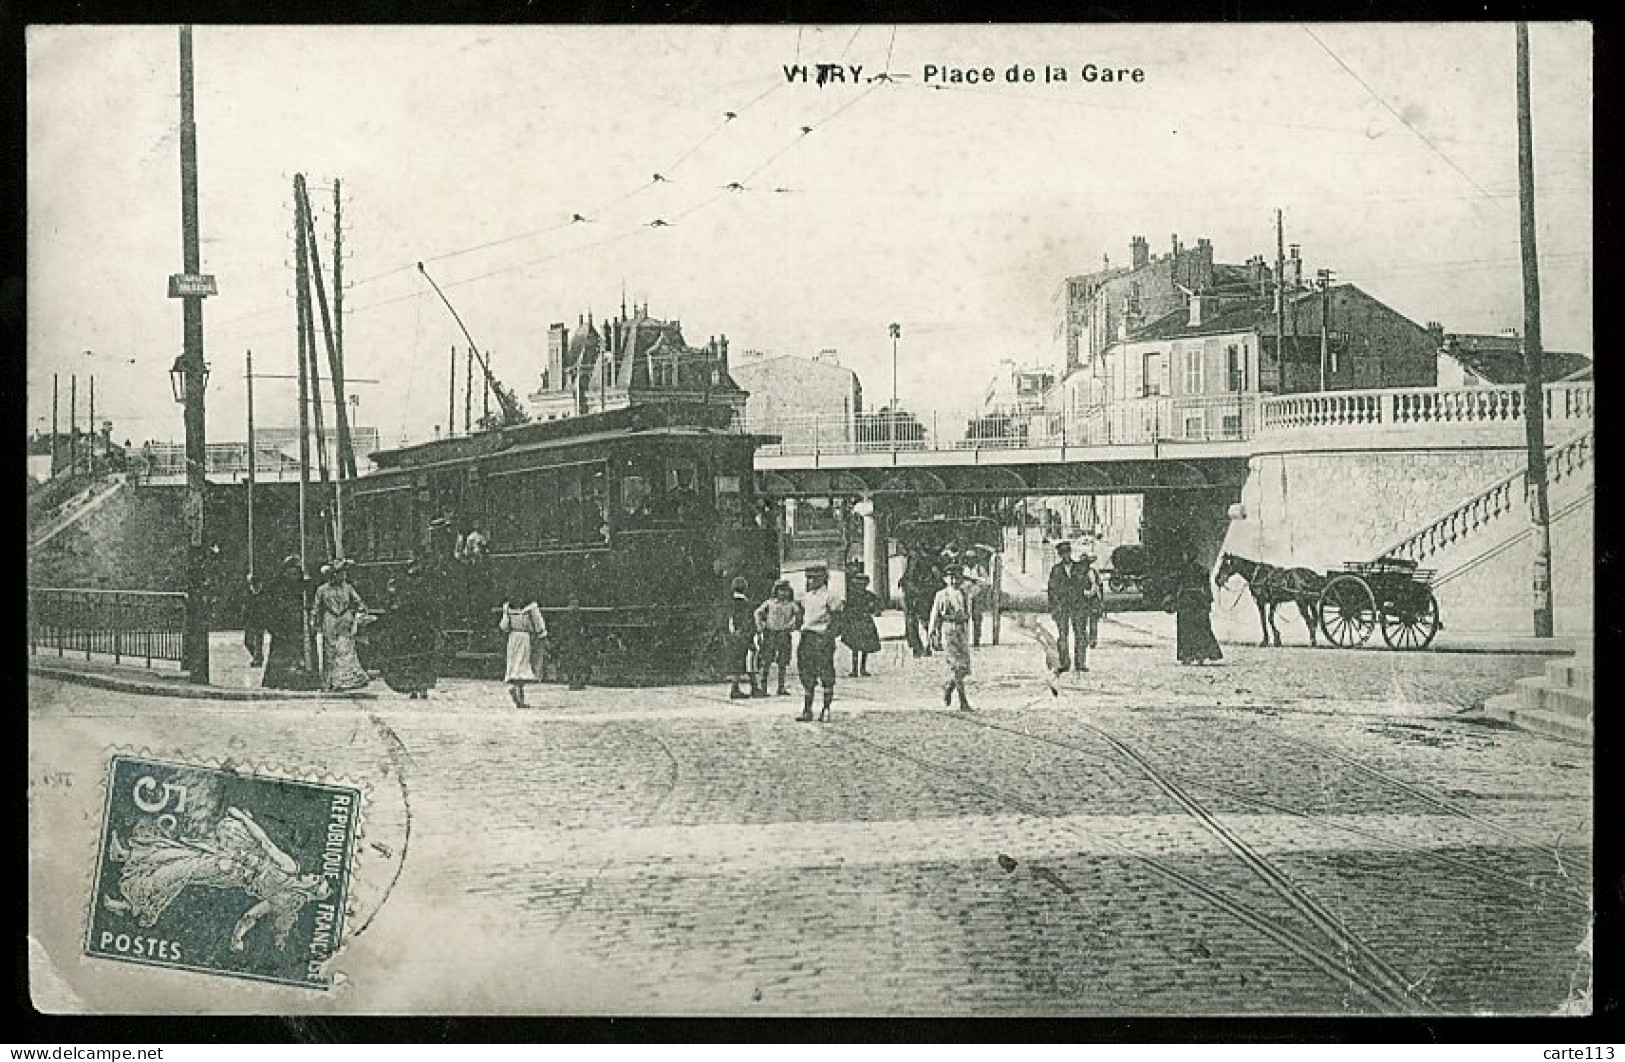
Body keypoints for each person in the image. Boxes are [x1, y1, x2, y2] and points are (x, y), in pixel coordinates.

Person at [379, 556, 442, 699]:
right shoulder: (420, 585)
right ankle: (419, 687)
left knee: (417, 657)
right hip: (416, 626)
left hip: (415, 625)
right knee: (420, 657)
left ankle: (417, 687)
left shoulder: (411, 586)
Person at [310, 560, 371, 691]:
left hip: (345, 619)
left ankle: (346, 680)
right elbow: (316, 607)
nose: (342, 577)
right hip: (329, 620)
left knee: (345, 648)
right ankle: (329, 682)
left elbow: (358, 601)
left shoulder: (348, 588)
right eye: (339, 574)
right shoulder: (322, 590)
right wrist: (314, 622)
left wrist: (361, 612)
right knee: (330, 650)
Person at [796, 565, 844, 721]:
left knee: (825, 672)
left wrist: (829, 635)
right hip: (807, 637)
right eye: (808, 578)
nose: (810, 581)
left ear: (823, 579)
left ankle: (826, 708)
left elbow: (837, 618)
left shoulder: (830, 597)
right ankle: (807, 709)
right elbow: (801, 615)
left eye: (814, 578)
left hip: (822, 637)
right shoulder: (806, 597)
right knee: (806, 672)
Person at [929, 564, 976, 711]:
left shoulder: (965, 594)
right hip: (948, 629)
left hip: (962, 630)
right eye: (951, 578)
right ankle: (963, 701)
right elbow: (935, 615)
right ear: (946, 579)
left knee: (964, 668)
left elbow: (969, 612)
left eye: (957, 577)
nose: (955, 580)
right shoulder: (942, 595)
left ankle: (949, 686)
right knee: (956, 666)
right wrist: (932, 633)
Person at [261, 556, 310, 690]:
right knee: (280, 653)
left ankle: (297, 681)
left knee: (296, 653)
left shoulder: (302, 588)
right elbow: (268, 607)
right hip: (280, 626)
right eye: (290, 573)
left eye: (296, 574)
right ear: (284, 573)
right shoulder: (276, 588)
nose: (293, 577)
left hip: (296, 625)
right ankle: (277, 680)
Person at [1169, 548, 1224, 665]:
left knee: (1185, 629)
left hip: (1186, 602)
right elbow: (1207, 588)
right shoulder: (1202, 570)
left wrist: (1173, 600)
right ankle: (1201, 655)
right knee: (1201, 628)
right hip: (1199, 602)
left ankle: (1187, 655)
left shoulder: (1181, 571)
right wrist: (1208, 602)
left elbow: (1176, 588)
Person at [1046, 541, 1092, 673]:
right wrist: (1054, 608)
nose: (1065, 556)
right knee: (1062, 635)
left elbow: (1087, 585)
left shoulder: (1079, 568)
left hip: (1078, 606)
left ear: (1070, 553)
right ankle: (1064, 663)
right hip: (1062, 607)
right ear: (1060, 555)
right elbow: (1052, 590)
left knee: (1081, 636)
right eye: (1063, 554)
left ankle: (1080, 663)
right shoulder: (1056, 570)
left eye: (1067, 553)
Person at [500, 587, 548, 708]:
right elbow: (539, 623)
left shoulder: (507, 607)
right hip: (525, 638)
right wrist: (542, 634)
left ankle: (518, 695)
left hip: (513, 638)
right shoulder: (531, 607)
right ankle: (517, 692)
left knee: (516, 665)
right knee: (522, 666)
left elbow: (504, 626)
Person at [754, 579, 801, 697]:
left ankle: (781, 687)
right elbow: (757, 612)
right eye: (781, 590)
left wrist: (793, 624)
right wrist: (760, 626)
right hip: (771, 633)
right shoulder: (770, 603)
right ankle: (763, 688)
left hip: (784, 634)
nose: (783, 593)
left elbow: (799, 614)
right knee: (767, 660)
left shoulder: (791, 604)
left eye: (786, 591)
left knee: (783, 662)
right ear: (776, 591)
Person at [900, 546, 942, 657]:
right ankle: (919, 647)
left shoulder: (919, 560)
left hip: (919, 594)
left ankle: (922, 646)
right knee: (917, 622)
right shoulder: (915, 559)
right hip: (914, 594)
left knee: (920, 621)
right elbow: (907, 579)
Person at [841, 571, 882, 677]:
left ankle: (862, 669)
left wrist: (874, 609)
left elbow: (877, 605)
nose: (860, 587)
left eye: (862, 584)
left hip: (864, 622)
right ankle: (855, 669)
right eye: (858, 584)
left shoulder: (868, 595)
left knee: (864, 648)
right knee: (855, 647)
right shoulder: (853, 596)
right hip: (856, 622)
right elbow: (847, 609)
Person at [725, 576, 760, 700]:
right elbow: (748, 621)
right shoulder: (745, 604)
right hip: (745, 636)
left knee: (738, 662)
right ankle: (754, 687)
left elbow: (730, 620)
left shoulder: (730, 603)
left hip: (734, 636)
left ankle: (736, 687)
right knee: (750, 661)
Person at [552, 596, 592, 690]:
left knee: (579, 662)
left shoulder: (581, 617)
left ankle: (578, 681)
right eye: (573, 605)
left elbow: (585, 629)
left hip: (578, 641)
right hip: (569, 641)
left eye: (577, 605)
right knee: (570, 662)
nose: (575, 607)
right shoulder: (565, 618)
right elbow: (562, 631)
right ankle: (571, 681)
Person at [1077, 550, 1105, 654]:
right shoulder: (1079, 574)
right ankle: (1088, 639)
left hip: (1093, 600)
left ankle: (1093, 640)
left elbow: (1099, 586)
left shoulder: (1092, 572)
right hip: (1084, 600)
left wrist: (1101, 599)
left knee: (1093, 621)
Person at [242, 573, 267, 668]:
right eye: (253, 585)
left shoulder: (263, 596)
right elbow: (245, 609)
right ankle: (257, 657)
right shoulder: (249, 596)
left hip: (259, 623)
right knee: (247, 642)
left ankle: (258, 659)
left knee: (258, 642)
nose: (255, 587)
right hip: (250, 623)